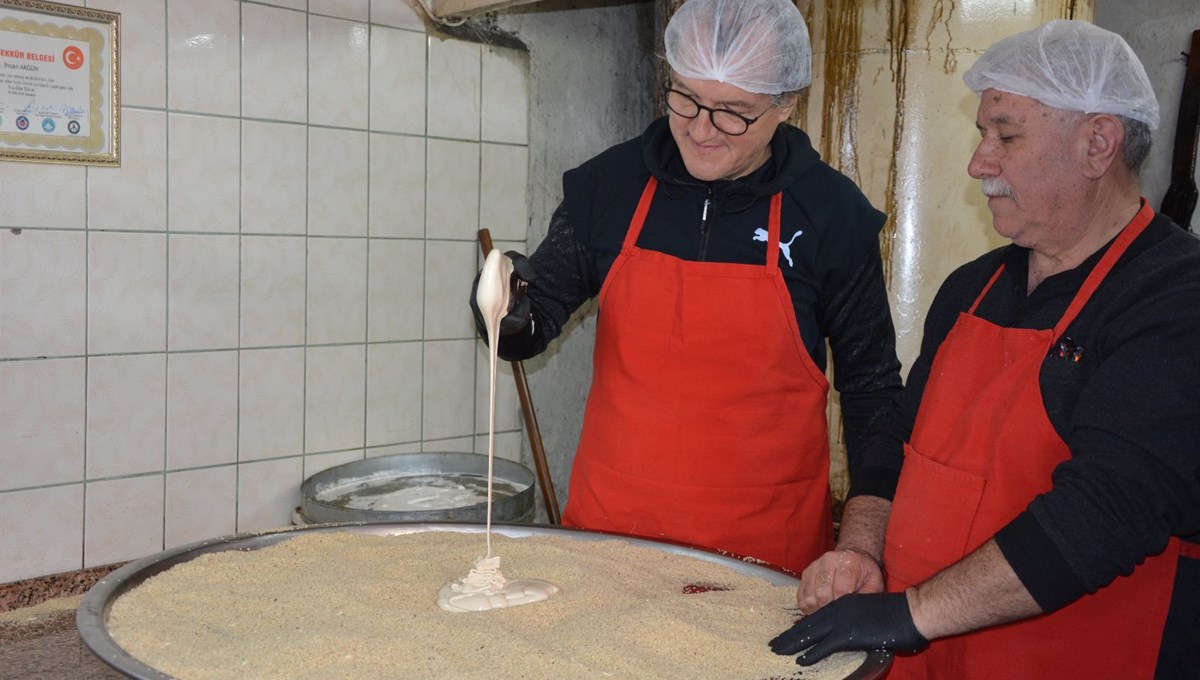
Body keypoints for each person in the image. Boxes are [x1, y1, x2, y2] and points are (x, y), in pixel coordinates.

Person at [769, 19, 1200, 679]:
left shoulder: (1175, 296)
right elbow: (895, 444)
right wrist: (862, 549)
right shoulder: (974, 288)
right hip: (937, 657)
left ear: (1098, 142)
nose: (978, 163)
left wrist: (908, 614)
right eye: (982, 135)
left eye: (1006, 135)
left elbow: (1107, 511)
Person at [469, 0, 901, 575]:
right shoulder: (609, 186)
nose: (700, 130)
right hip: (609, 546)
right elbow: (531, 323)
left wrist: (861, 546)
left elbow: (872, 389)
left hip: (763, 560)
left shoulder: (832, 215)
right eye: (685, 98)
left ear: (785, 105)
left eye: (732, 113)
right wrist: (506, 301)